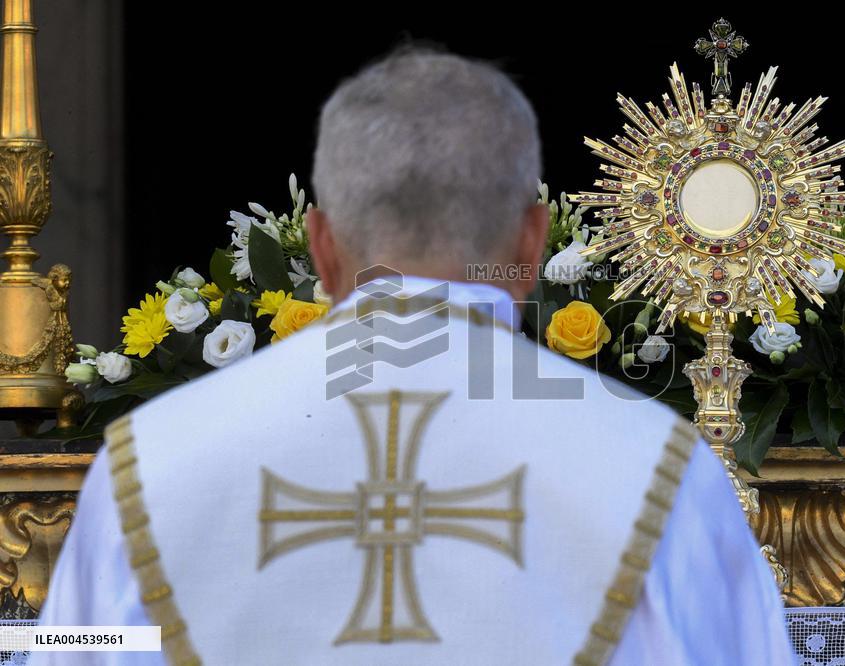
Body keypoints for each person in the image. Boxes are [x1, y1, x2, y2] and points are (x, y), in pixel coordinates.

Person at [31, 48, 794, 665]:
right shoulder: (656, 466)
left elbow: (79, 647)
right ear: (532, 244)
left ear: (322, 248)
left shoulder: (146, 464)